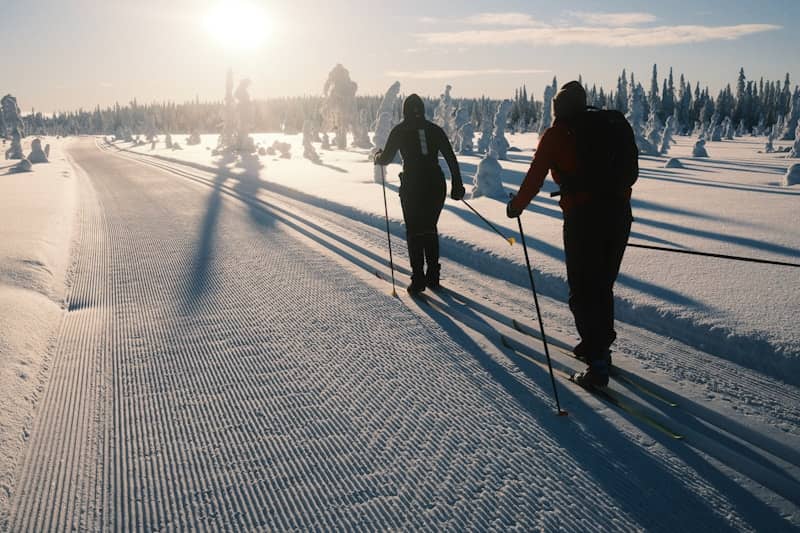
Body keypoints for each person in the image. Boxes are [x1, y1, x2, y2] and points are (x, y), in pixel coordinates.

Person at [506, 81, 635, 387]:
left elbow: (535, 176)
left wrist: (516, 206)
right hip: (619, 216)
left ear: (558, 108)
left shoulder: (556, 135)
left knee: (582, 289)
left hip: (583, 220)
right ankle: (599, 346)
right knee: (602, 285)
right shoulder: (607, 126)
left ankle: (597, 363)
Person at [375, 94, 466, 294]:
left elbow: (386, 158)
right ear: (422, 110)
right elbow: (451, 157)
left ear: (405, 111)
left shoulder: (400, 130)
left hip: (413, 186)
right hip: (436, 185)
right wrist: (457, 185)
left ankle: (418, 278)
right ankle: (433, 275)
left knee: (415, 231)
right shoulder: (435, 130)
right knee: (430, 227)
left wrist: (377, 157)